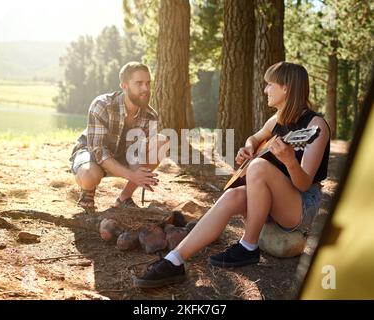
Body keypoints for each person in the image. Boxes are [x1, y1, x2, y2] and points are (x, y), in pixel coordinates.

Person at [133, 61, 330, 289]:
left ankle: (248, 246)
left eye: (270, 85)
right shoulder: (277, 119)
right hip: (271, 201)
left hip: (299, 207)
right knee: (231, 196)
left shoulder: (316, 126)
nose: (265, 90)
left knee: (258, 167)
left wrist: (289, 161)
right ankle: (174, 260)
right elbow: (255, 139)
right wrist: (248, 148)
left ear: (286, 88)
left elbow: (305, 184)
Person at [70, 61, 166, 213]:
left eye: (148, 83)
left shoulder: (150, 116)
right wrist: (133, 176)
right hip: (92, 154)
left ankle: (123, 199)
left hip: (124, 157)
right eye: (139, 83)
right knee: (89, 176)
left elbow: (138, 154)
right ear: (124, 86)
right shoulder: (102, 105)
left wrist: (141, 174)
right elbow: (98, 151)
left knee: (161, 141)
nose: (146, 89)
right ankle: (87, 190)